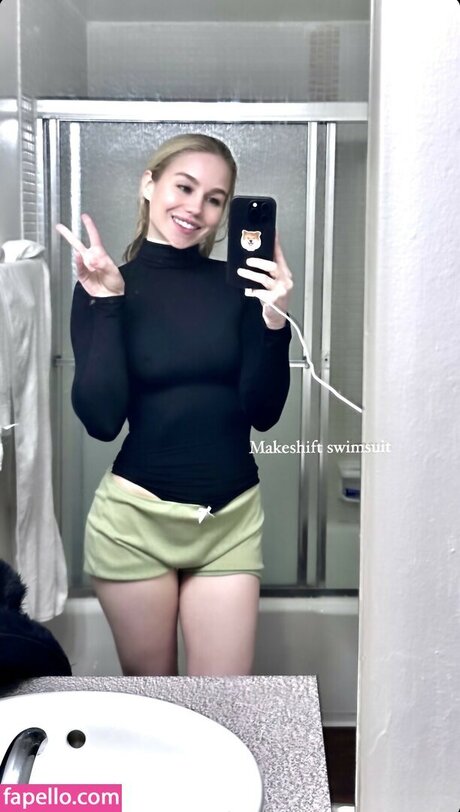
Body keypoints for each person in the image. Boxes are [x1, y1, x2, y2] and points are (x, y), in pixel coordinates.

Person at [56, 133, 293, 677]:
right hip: (134, 524)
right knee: (155, 703)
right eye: (184, 187)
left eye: (214, 198)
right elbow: (101, 420)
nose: (195, 208)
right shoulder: (106, 284)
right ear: (149, 184)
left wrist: (274, 320)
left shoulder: (241, 288)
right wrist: (108, 303)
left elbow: (264, 412)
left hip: (230, 521)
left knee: (224, 702)